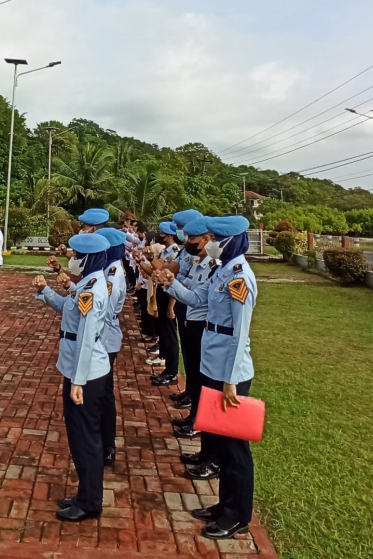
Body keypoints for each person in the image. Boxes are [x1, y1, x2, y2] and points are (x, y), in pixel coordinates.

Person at [153, 215, 257, 540]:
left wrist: (230, 379)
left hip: (230, 371)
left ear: (227, 240)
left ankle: (238, 514)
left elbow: (240, 333)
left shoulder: (240, 275)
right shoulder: (221, 269)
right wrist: (171, 284)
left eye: (212, 237)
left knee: (235, 446)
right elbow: (198, 300)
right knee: (219, 441)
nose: (207, 242)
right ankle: (223, 505)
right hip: (213, 364)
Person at [33, 233, 111, 522]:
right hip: (79, 368)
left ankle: (91, 501)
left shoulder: (93, 289)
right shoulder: (87, 284)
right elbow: (68, 309)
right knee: (79, 436)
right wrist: (45, 291)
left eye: (77, 256)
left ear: (89, 258)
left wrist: (78, 381)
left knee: (86, 438)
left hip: (87, 373)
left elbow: (88, 336)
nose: (73, 260)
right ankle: (85, 493)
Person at [161, 217, 222, 479]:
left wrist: (171, 285)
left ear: (207, 240)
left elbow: (238, 324)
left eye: (193, 239)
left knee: (209, 392)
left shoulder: (218, 267)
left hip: (210, 336)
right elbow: (193, 293)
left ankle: (212, 457)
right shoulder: (204, 265)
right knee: (198, 381)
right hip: (198, 327)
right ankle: (205, 452)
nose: (189, 243)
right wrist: (169, 282)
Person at [167, 209, 205, 427]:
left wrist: (169, 281)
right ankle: (190, 393)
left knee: (197, 366)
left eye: (187, 232)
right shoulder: (187, 252)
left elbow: (185, 281)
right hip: (187, 309)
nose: (182, 234)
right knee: (190, 360)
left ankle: (195, 412)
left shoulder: (203, 259)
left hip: (199, 319)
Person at [94, 227, 127, 467]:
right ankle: (104, 442)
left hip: (106, 338)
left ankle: (107, 445)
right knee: (102, 392)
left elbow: (104, 311)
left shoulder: (113, 274)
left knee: (104, 394)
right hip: (105, 336)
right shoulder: (107, 270)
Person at [140, 221, 181, 386]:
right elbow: (155, 272)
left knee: (170, 336)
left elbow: (172, 277)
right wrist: (147, 260)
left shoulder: (176, 252)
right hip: (162, 294)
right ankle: (168, 370)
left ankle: (172, 372)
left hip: (170, 295)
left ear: (169, 235)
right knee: (164, 333)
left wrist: (171, 306)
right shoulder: (166, 251)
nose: (160, 236)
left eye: (163, 234)